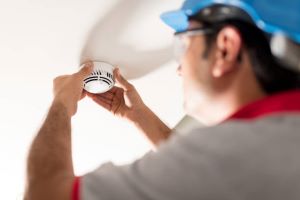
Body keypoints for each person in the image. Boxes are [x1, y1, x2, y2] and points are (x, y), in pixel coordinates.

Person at [25, 0, 300, 199]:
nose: (179, 68)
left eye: (184, 44)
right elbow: (202, 178)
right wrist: (139, 116)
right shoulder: (271, 147)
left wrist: (61, 103)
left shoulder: (241, 155)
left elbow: (45, 193)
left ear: (225, 48)